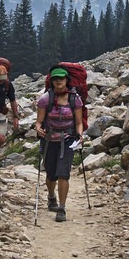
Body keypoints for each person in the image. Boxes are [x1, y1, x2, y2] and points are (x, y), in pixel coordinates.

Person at [34, 66, 84, 222]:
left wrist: (80, 134)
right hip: (49, 139)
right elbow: (39, 122)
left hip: (68, 139)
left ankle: (61, 208)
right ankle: (51, 197)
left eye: (61, 78)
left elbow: (78, 122)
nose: (58, 81)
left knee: (63, 173)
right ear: (51, 81)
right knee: (51, 174)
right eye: (55, 79)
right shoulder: (45, 99)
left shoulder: (74, 99)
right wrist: (38, 128)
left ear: (66, 80)